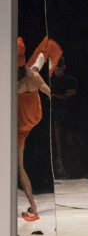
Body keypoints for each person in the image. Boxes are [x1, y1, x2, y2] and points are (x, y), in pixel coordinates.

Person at [17, 37, 51, 221]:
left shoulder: (12, 84)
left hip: (20, 125)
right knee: (35, 73)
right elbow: (47, 91)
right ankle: (39, 62)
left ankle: (34, 207)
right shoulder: (33, 77)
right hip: (33, 117)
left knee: (20, 167)